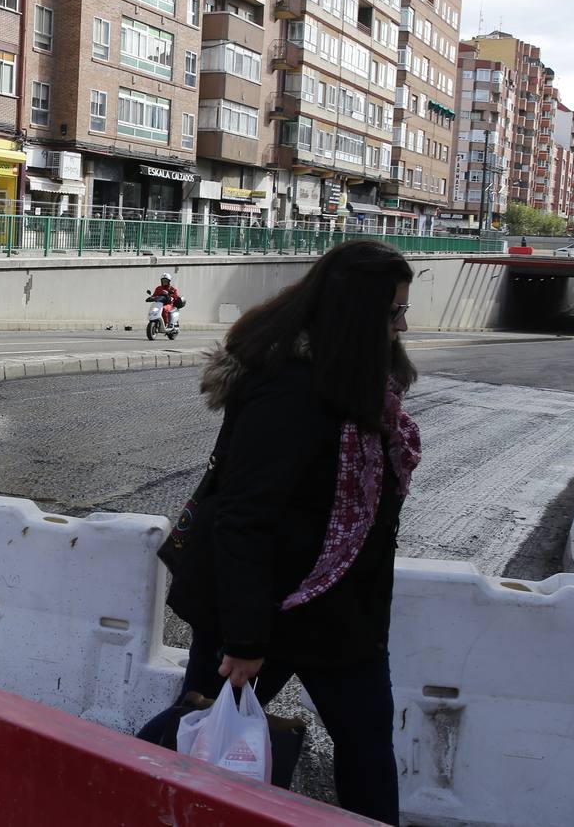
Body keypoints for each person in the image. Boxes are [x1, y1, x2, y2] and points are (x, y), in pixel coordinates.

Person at [144, 239, 420, 825]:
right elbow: (245, 516)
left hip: (341, 615)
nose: (402, 327)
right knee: (198, 735)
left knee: (368, 751)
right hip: (261, 614)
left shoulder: (367, 387)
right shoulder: (290, 390)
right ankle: (124, 791)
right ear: (356, 317)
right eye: (393, 313)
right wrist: (245, 640)